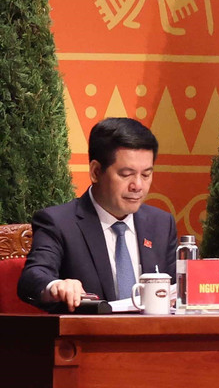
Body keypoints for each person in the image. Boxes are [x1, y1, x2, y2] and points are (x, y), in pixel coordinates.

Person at [19, 118, 178, 312]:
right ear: (95, 172)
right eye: (126, 174)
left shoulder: (161, 224)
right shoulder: (59, 223)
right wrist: (56, 286)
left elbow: (178, 291)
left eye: (146, 175)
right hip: (87, 331)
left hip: (154, 331)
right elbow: (33, 276)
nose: (138, 186)